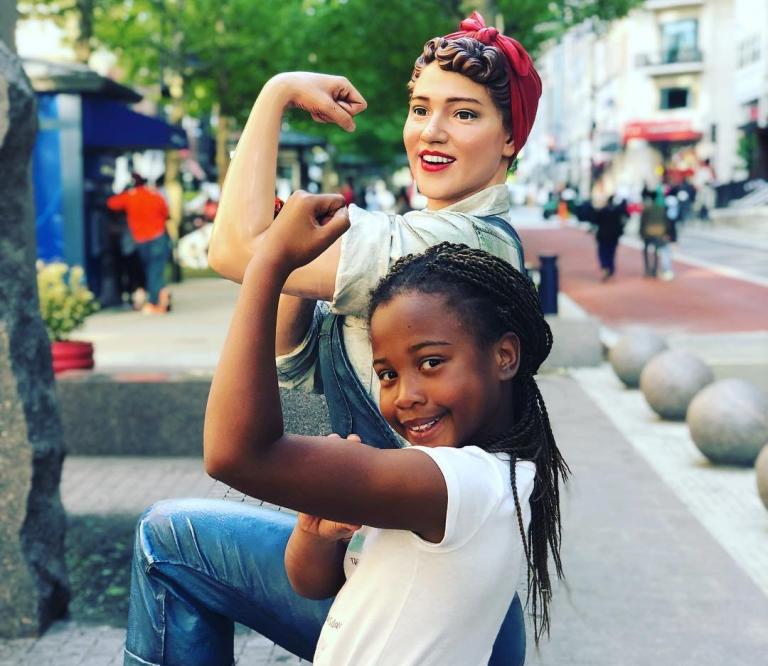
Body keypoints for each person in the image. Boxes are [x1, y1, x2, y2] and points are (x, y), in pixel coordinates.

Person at [127, 10, 545, 664]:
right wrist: (292, 268)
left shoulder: (441, 250)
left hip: (413, 581)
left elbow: (235, 251)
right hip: (431, 579)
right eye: (420, 108)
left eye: (464, 114)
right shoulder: (446, 242)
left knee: (167, 540)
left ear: (510, 138)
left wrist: (276, 94)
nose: (431, 132)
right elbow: (294, 373)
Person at [126, 189, 568, 665]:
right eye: (388, 374)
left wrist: (270, 265)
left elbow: (234, 455)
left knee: (165, 537)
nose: (406, 395)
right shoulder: (461, 477)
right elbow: (311, 582)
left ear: (504, 356)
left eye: (432, 362)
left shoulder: (459, 484)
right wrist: (317, 533)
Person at [106, 173, 172, 313]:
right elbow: (166, 214)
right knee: (156, 271)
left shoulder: (129, 197)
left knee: (149, 272)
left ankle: (156, 303)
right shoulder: (155, 196)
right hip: (158, 237)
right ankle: (161, 300)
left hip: (141, 240)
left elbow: (111, 203)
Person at [593, 195, 626, 281]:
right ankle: (610, 269)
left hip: (603, 235)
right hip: (613, 236)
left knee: (603, 252)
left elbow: (596, 221)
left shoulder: (603, 211)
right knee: (611, 253)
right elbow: (622, 223)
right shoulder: (618, 211)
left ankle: (605, 268)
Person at [639, 188, 667, 278]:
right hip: (659, 231)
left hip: (648, 231)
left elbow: (643, 221)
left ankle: (647, 269)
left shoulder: (647, 208)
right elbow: (665, 220)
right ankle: (654, 269)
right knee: (656, 251)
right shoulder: (661, 208)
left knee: (646, 250)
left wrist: (641, 232)